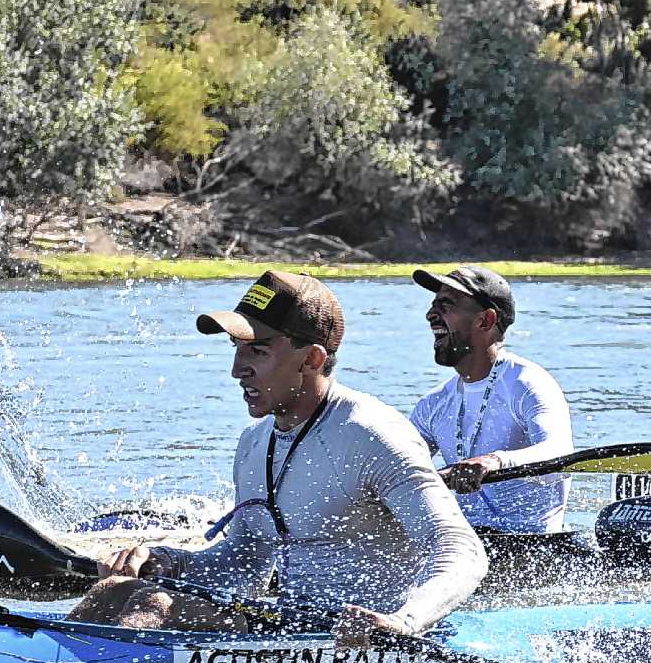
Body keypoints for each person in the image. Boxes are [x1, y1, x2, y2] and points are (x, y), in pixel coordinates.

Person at [69, 270, 488, 641]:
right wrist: (167, 561)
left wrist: (405, 621)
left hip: (368, 639)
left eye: (258, 351)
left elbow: (461, 549)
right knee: (114, 591)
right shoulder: (254, 444)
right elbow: (245, 560)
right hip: (287, 626)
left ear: (312, 358)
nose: (237, 369)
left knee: (154, 607)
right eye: (236, 348)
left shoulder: (372, 435)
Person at [409, 266, 574, 534]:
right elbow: (397, 468)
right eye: (433, 305)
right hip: (465, 545)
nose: (431, 315)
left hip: (531, 546)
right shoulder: (433, 404)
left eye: (446, 304)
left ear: (485, 320)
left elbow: (559, 454)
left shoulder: (526, 384)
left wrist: (492, 462)